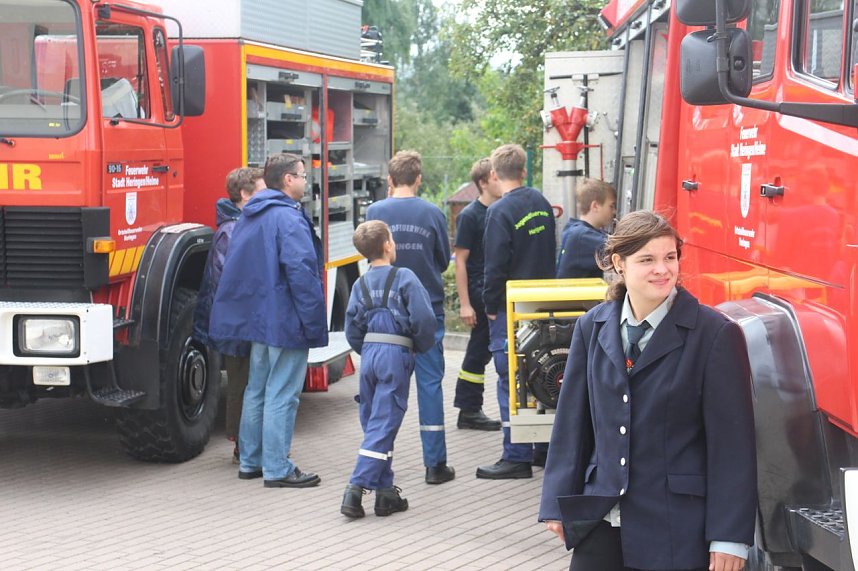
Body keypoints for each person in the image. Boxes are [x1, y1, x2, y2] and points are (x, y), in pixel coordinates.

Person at [539, 210, 756, 571]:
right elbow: (572, 425)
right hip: (601, 519)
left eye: (670, 257)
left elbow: (732, 447)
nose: (662, 269)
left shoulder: (715, 334)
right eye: (647, 260)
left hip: (676, 529)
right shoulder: (592, 326)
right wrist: (555, 501)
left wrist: (729, 536)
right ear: (618, 264)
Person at [209, 153, 327, 488]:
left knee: (256, 389)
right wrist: (313, 322)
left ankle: (251, 461)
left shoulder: (250, 215)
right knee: (283, 393)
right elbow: (302, 273)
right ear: (288, 179)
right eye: (302, 175)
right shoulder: (288, 218)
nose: (305, 182)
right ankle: (277, 468)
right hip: (286, 320)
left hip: (258, 321)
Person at [365, 150, 455, 485]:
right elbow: (442, 260)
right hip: (427, 311)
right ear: (418, 179)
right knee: (429, 386)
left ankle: (378, 462)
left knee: (387, 390)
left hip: (385, 314)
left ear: (390, 179)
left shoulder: (375, 212)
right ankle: (435, 465)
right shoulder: (432, 213)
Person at [340, 220, 437, 518]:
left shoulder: (359, 284)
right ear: (387, 245)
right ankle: (355, 488)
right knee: (384, 422)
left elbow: (351, 327)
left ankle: (385, 494)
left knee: (375, 421)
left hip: (369, 354)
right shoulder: (405, 277)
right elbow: (424, 319)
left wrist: (368, 349)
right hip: (396, 353)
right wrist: (417, 345)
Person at [477, 143, 556, 479]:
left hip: (511, 307)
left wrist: (490, 305)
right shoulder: (541, 202)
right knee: (541, 373)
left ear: (495, 174)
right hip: (543, 303)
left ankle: (516, 456)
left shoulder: (499, 212)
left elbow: (494, 266)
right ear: (524, 170)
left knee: (510, 379)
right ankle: (543, 449)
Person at [193, 166, 265, 463]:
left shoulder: (237, 226)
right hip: (239, 322)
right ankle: (243, 445)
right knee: (242, 381)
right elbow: (229, 281)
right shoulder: (233, 231)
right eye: (262, 190)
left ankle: (246, 442)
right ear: (245, 195)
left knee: (246, 379)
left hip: (241, 319)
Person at [453, 158, 503, 431]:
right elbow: (460, 261)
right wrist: (465, 304)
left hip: (493, 289)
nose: (500, 181)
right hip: (478, 291)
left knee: (482, 350)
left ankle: (470, 408)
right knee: (478, 350)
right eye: (495, 177)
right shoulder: (470, 216)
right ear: (483, 182)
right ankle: (469, 409)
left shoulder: (501, 210)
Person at [556, 178, 617, 279]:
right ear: (595, 206)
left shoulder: (574, 229)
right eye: (611, 206)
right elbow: (622, 249)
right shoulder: (582, 237)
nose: (614, 211)